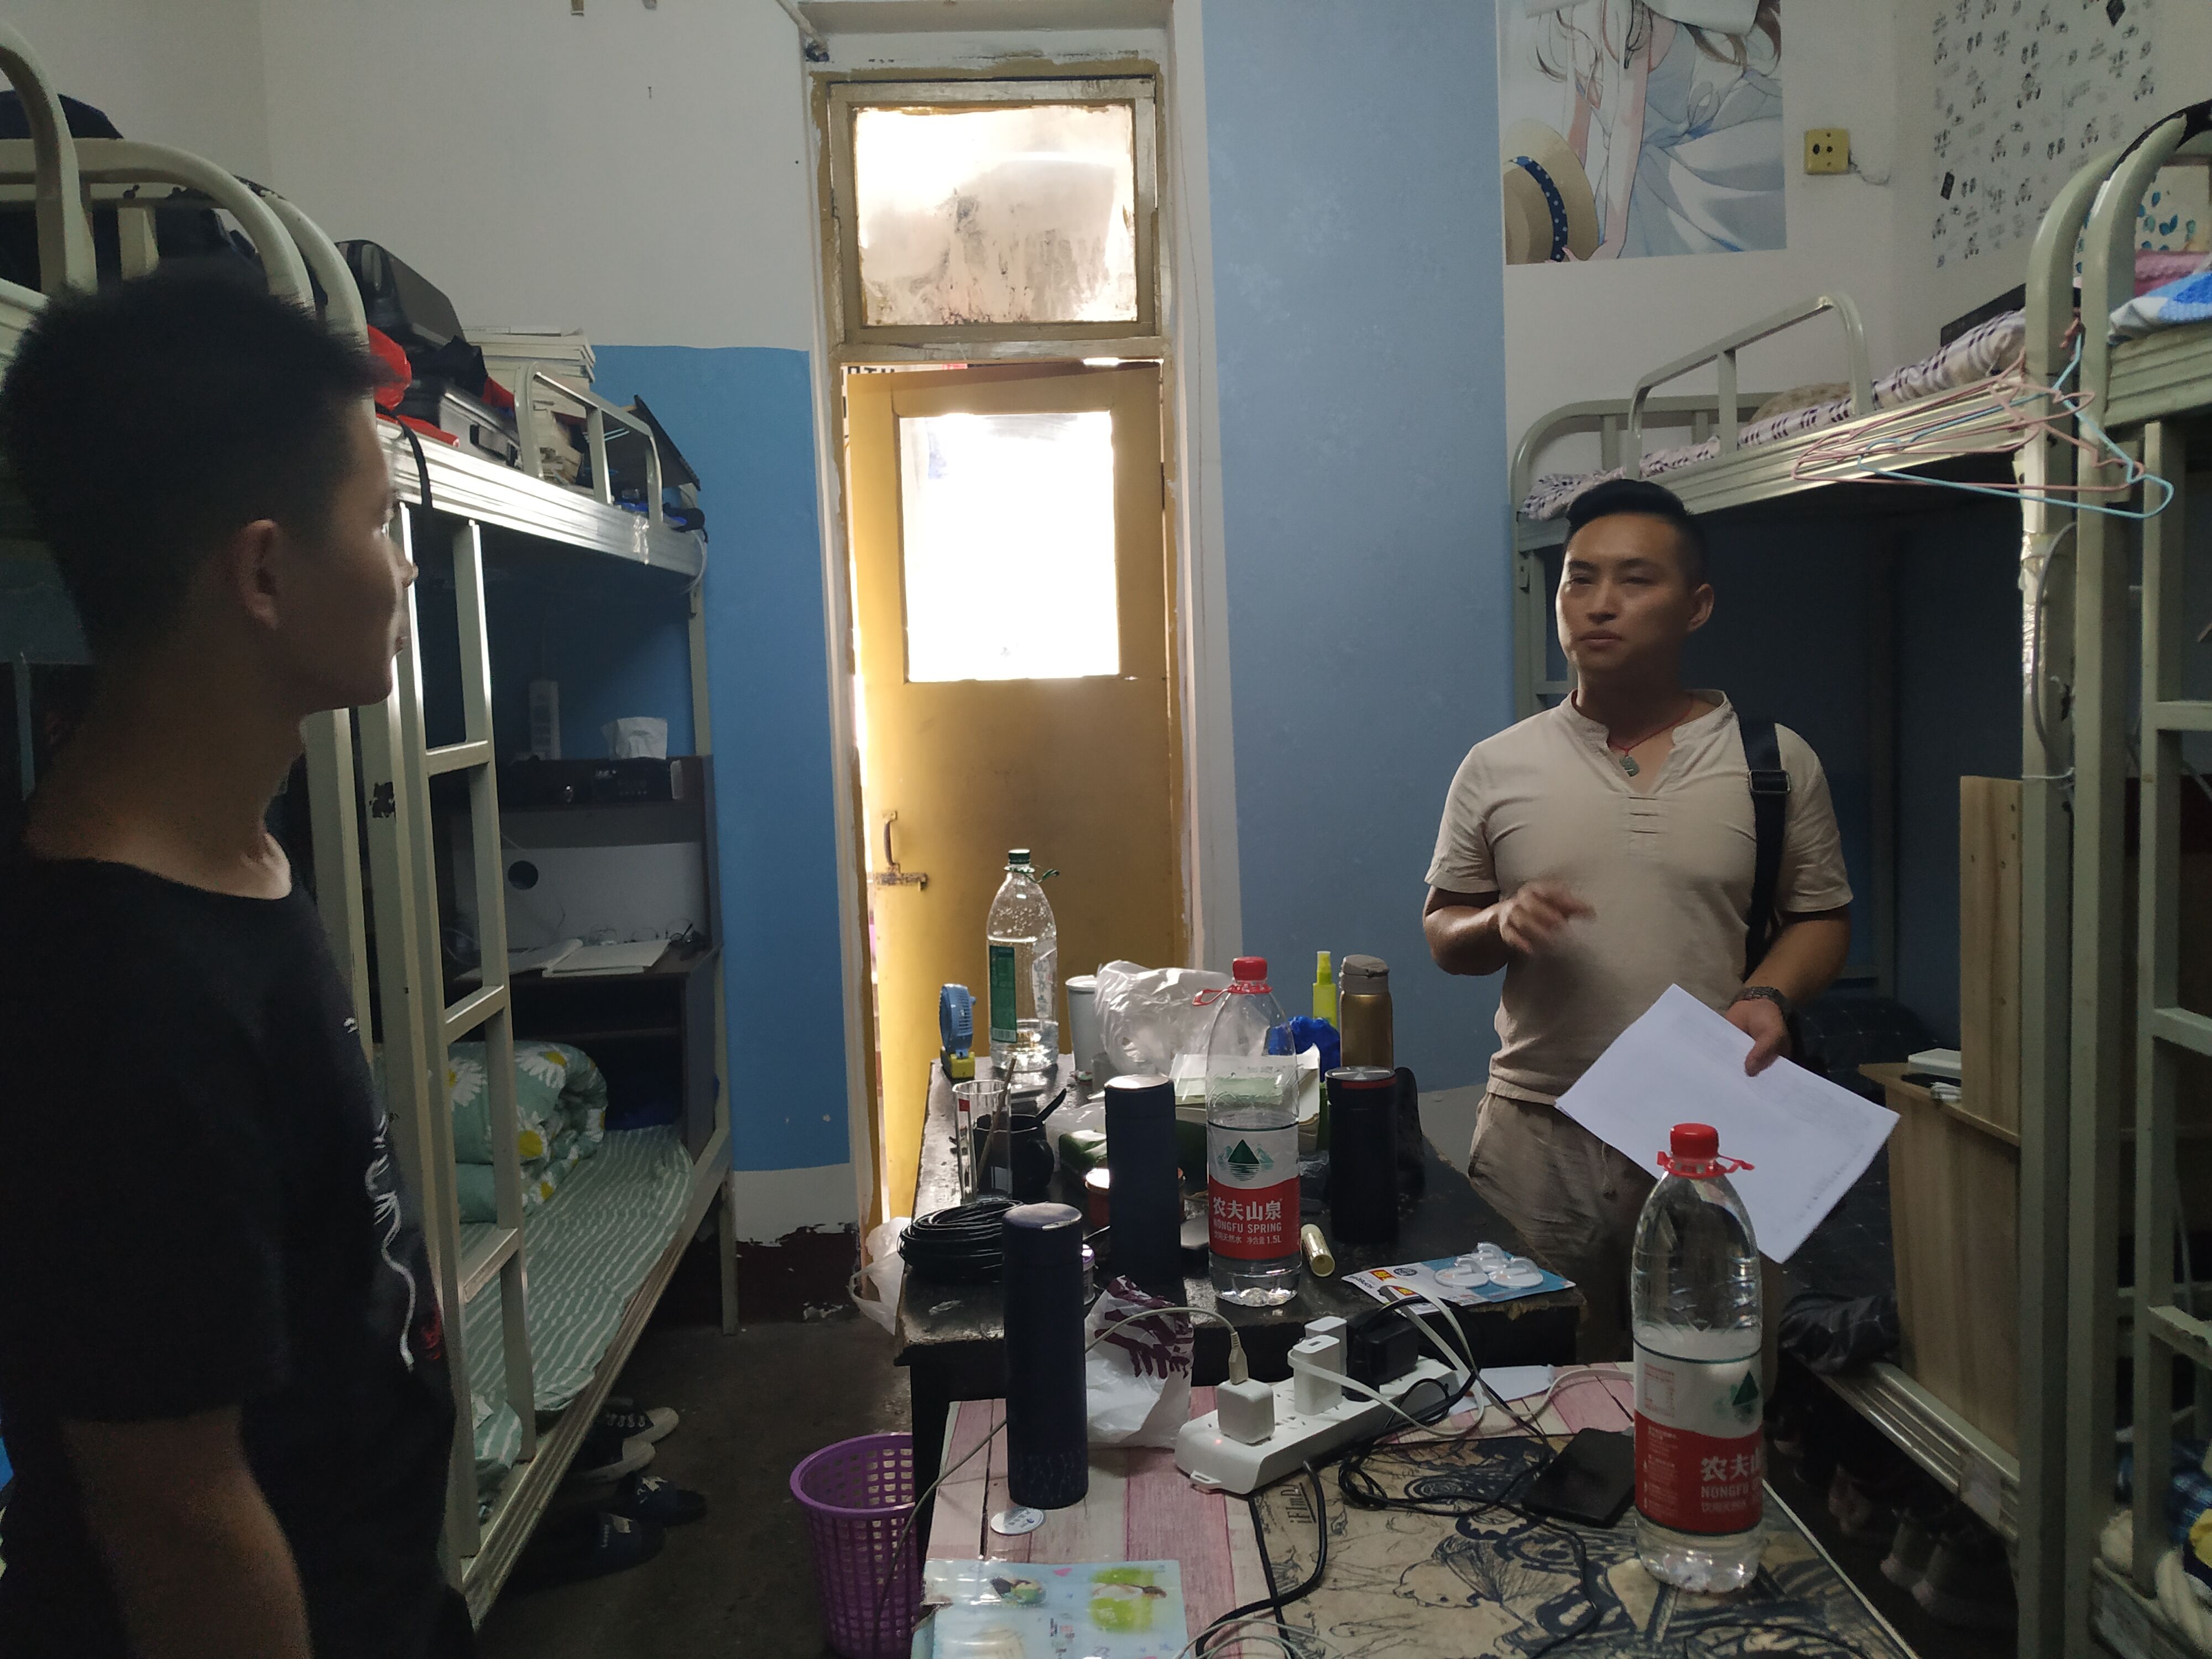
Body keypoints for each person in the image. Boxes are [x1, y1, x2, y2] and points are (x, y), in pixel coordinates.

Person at [0, 276, 462, 1657]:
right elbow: (178, 1519)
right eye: (376, 523)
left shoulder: (231, 862)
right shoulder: (118, 995)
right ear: (263, 574)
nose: (402, 570)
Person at [1421, 477, 1851, 1360]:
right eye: (1579, 579)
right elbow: (1443, 932)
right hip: (1537, 1137)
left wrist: (1768, 993)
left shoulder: (1772, 763)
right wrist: (1496, 923)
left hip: (1710, 1133)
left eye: (1635, 579)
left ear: (1697, 606)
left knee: (1712, 1385)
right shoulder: (1496, 766)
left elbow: (1821, 918)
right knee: (1520, 1388)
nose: (1599, 603)